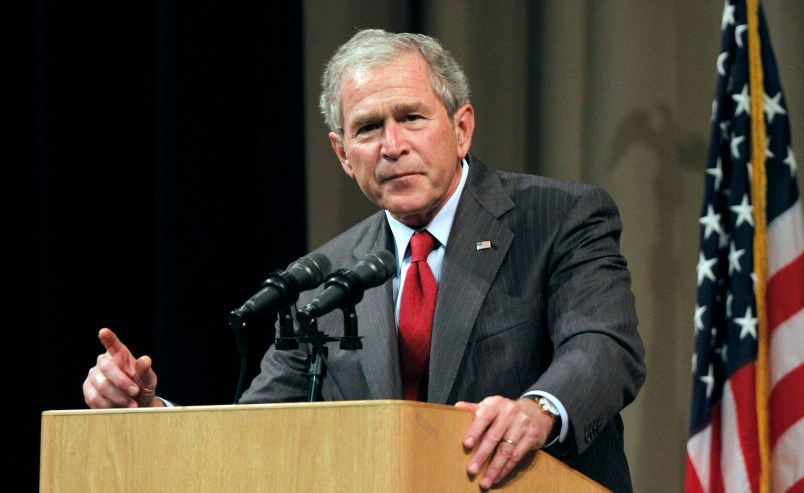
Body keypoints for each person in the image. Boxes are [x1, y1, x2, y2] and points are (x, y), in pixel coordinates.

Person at [83, 28, 646, 492]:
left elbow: (603, 345)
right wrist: (150, 411)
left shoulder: (560, 217)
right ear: (342, 153)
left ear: (462, 127)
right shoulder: (324, 278)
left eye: (412, 118)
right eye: (369, 128)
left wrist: (538, 409)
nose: (392, 145)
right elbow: (255, 431)